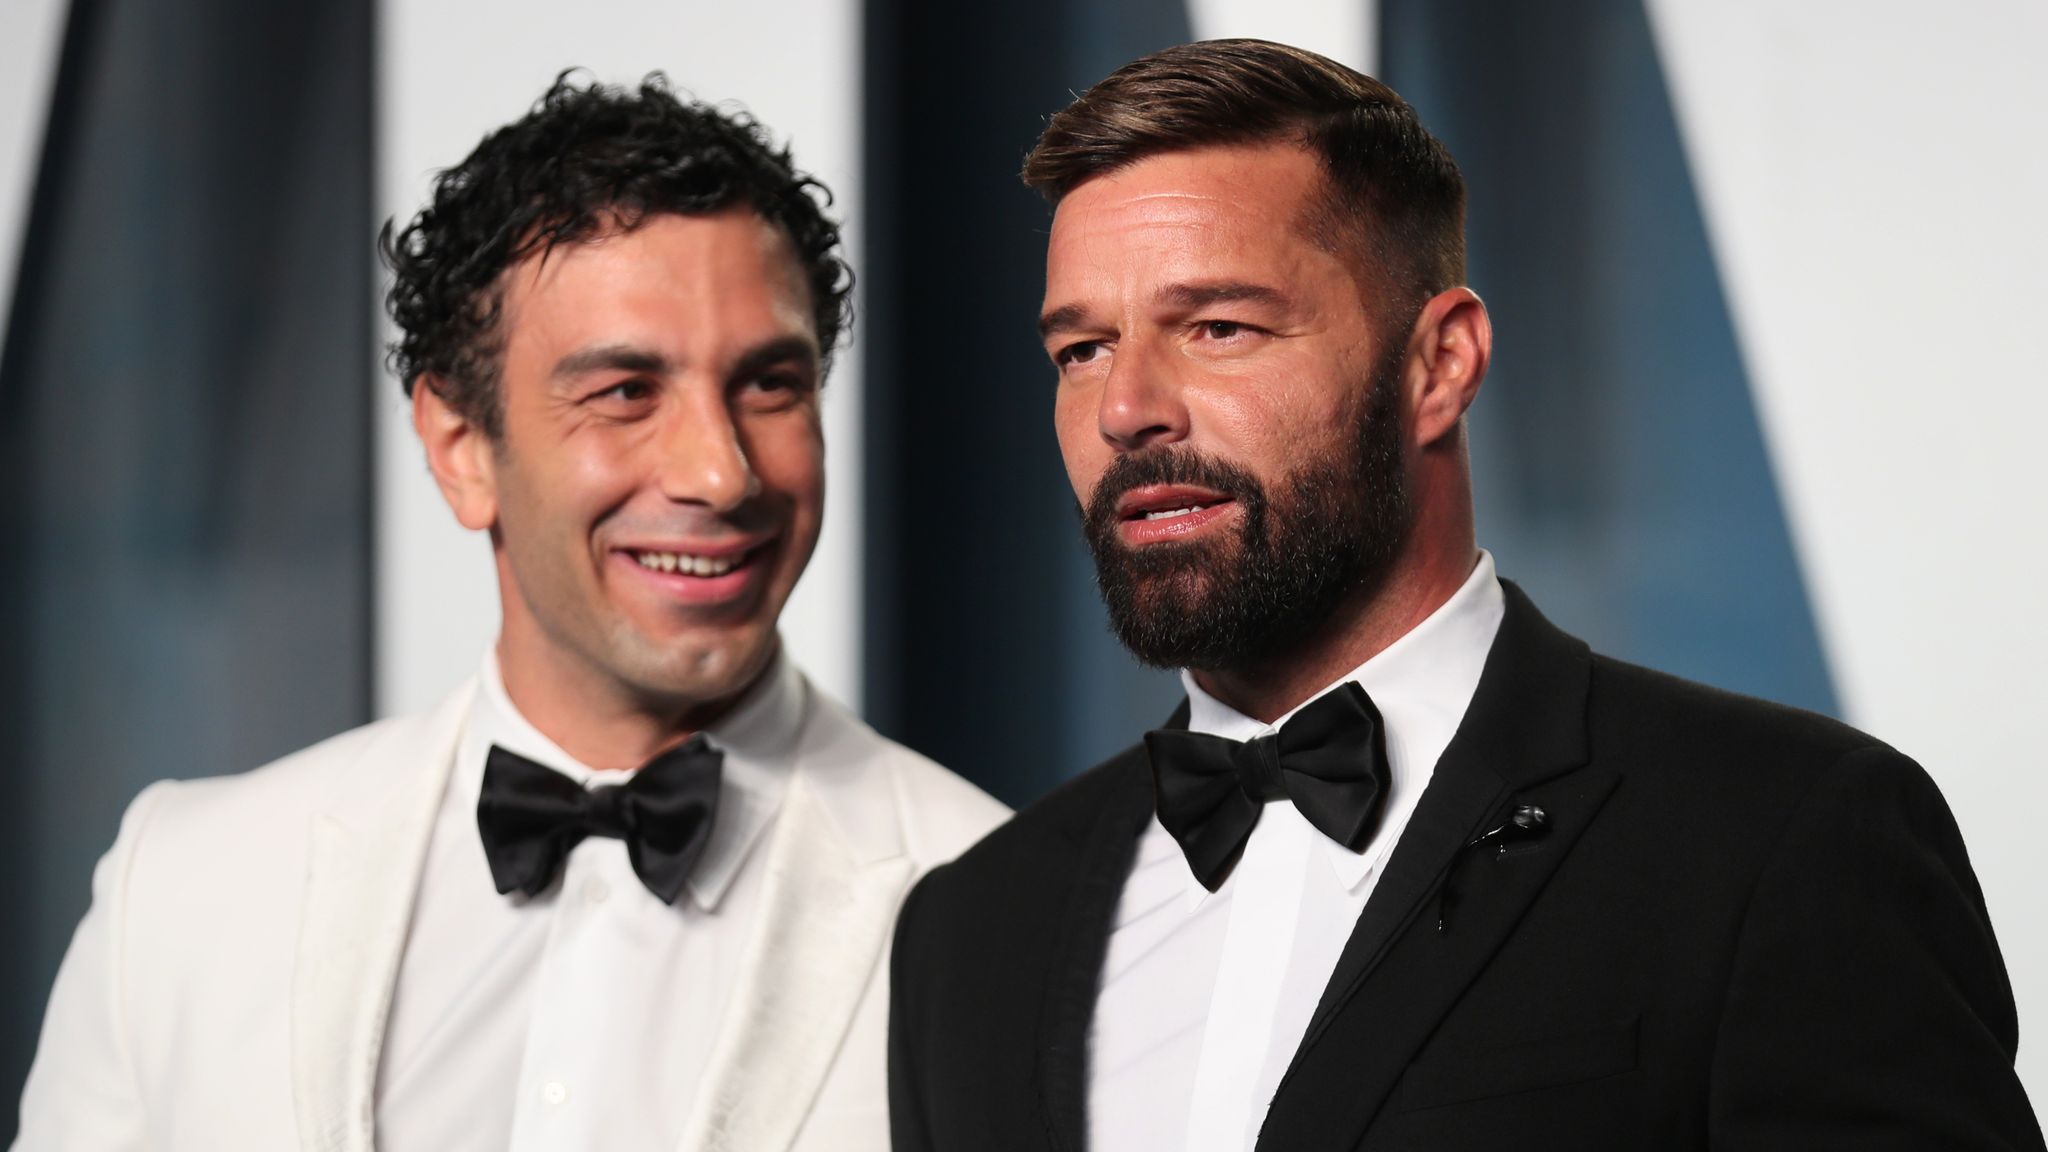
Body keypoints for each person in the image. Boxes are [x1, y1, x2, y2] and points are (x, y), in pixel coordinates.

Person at [887, 39, 2041, 1151]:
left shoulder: (1780, 839)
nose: (1125, 407)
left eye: (1219, 327)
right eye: (1079, 348)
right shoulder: (970, 931)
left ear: (1438, 363)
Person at [15, 74, 1006, 1152]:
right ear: (459, 450)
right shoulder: (186, 887)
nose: (720, 474)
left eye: (770, 385)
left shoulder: (996, 913)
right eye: (625, 391)